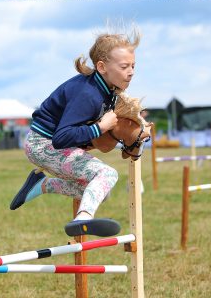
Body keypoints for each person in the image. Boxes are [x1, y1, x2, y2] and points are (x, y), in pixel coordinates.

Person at [9, 31, 148, 237]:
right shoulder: (88, 94)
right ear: (102, 67)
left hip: (53, 144)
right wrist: (100, 127)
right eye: (124, 67)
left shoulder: (107, 89)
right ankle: (83, 218)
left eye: (133, 66)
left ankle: (43, 185)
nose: (131, 72)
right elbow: (61, 138)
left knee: (101, 190)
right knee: (107, 174)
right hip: (43, 144)